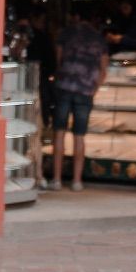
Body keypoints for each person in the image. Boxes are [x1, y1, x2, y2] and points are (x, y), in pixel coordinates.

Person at [48, 15, 107, 191]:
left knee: (59, 133)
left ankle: (57, 180)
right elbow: (103, 69)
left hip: (64, 87)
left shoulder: (66, 34)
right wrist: (94, 88)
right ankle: (76, 181)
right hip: (85, 90)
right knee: (79, 135)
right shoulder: (99, 39)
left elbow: (57, 61)